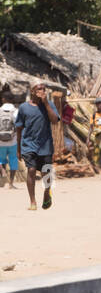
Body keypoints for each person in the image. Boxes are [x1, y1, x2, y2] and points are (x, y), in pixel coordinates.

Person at [14, 81, 60, 211]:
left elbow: (55, 121)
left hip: (45, 145)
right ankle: (33, 201)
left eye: (44, 89)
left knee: (46, 171)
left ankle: (47, 191)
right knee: (32, 170)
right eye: (39, 89)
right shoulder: (24, 107)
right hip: (28, 144)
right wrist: (18, 149)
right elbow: (19, 128)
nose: (42, 91)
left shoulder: (49, 105)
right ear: (32, 91)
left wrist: (45, 103)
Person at [0, 90, 19, 189]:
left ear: (3, 99)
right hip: (13, 141)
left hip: (0, 142)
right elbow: (19, 126)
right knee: (13, 160)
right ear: (12, 100)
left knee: (1, 159)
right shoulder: (16, 111)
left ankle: (3, 173)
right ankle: (11, 183)